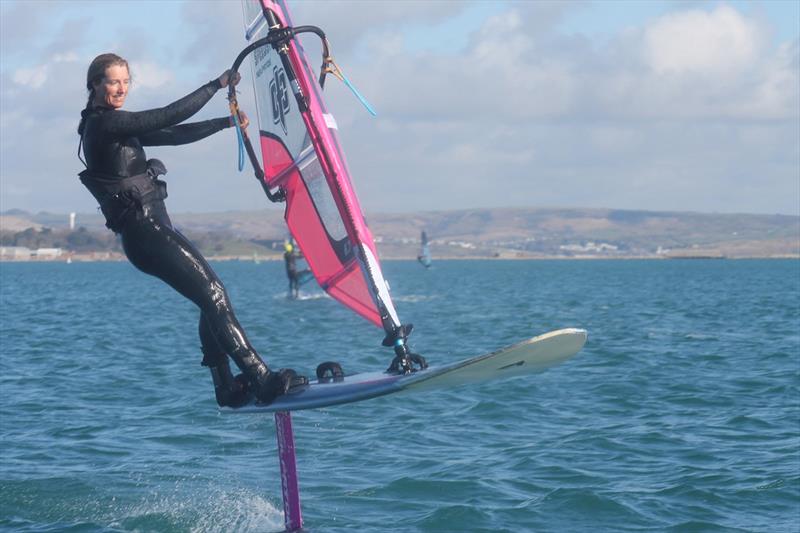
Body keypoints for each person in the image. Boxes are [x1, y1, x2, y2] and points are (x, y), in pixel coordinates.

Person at [76, 53, 306, 408]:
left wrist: (224, 123)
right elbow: (168, 114)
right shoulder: (103, 125)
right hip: (145, 233)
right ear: (95, 85)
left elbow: (171, 133)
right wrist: (216, 85)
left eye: (126, 81)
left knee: (207, 299)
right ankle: (261, 378)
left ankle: (227, 388)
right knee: (214, 292)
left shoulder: (116, 127)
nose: (121, 88)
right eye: (112, 82)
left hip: (150, 232)